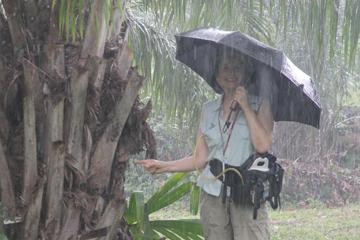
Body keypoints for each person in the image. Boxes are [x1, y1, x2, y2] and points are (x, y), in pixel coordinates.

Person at [136, 51, 274, 240]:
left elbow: (263, 145)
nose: (231, 73)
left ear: (245, 73)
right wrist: (163, 166)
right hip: (213, 193)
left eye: (236, 68)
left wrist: (246, 107)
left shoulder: (261, 104)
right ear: (217, 75)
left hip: (247, 193)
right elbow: (200, 159)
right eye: (225, 67)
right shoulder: (208, 110)